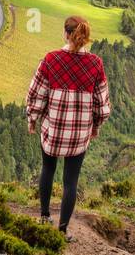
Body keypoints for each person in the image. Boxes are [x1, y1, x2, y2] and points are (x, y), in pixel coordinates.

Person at [25, 15, 112, 235]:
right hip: (79, 135)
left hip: (53, 130)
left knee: (48, 169)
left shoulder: (51, 59)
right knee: (70, 181)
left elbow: (36, 94)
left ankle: (44, 218)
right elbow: (101, 104)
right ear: (85, 36)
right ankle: (63, 230)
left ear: (66, 33)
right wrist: (96, 127)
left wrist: (32, 119)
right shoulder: (95, 64)